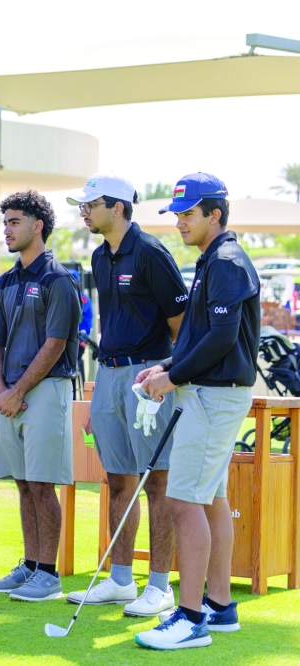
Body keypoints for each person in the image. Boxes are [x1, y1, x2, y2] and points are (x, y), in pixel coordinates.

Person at [136, 173, 259, 650]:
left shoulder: (225, 261)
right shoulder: (215, 259)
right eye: (178, 214)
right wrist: (166, 367)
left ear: (215, 214)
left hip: (213, 395)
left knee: (184, 501)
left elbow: (222, 339)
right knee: (209, 500)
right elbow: (202, 336)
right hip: (212, 392)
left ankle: (190, 619)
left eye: (188, 214)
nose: (180, 223)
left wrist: (173, 378)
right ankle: (219, 607)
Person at [64, 173, 187, 616]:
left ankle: (160, 586)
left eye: (91, 204)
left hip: (148, 375)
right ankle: (120, 580)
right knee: (118, 480)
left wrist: (167, 374)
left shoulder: (151, 252)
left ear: (117, 207)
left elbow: (181, 325)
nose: (84, 211)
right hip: (109, 374)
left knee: (157, 482)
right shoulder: (99, 256)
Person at [0, 190, 81, 601]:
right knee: (23, 484)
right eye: (5, 222)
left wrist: (17, 390)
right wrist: (2, 391)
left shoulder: (59, 280)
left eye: (14, 222)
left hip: (46, 389)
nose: (6, 230)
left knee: (41, 485)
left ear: (37, 226)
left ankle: (48, 576)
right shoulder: (4, 281)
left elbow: (55, 344)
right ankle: (30, 566)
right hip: (10, 395)